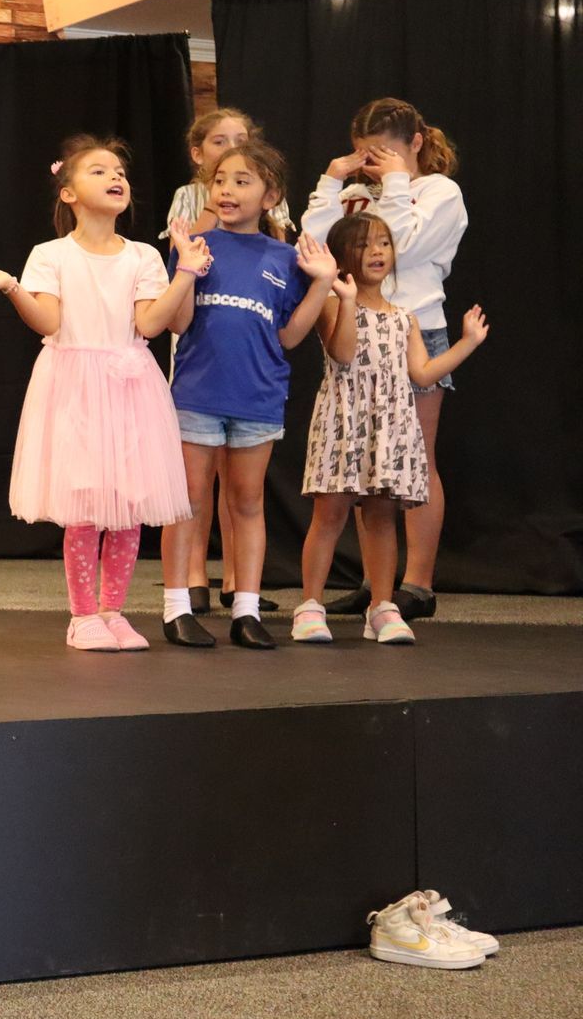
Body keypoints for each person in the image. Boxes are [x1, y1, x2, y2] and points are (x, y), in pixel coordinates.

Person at [0, 136, 198, 650]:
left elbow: (150, 324)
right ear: (68, 193)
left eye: (120, 172)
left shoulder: (143, 255)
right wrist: (12, 286)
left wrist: (185, 273)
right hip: (76, 384)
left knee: (128, 506)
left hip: (130, 385)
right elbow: (49, 320)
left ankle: (114, 610)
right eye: (99, 171)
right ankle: (83, 615)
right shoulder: (51, 254)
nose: (116, 178)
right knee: (86, 505)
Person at [160, 141, 335, 649]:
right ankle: (176, 608)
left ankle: (247, 611)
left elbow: (290, 336)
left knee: (248, 502)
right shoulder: (195, 245)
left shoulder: (284, 258)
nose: (227, 190)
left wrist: (322, 283)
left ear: (270, 196)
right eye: (220, 181)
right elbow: (179, 322)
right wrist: (187, 266)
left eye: (242, 181)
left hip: (257, 399)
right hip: (198, 393)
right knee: (189, 501)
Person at [300, 98, 468, 621]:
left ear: (415, 143)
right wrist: (332, 183)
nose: (373, 164)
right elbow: (316, 245)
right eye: (364, 154)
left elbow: (404, 248)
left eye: (384, 153)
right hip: (358, 328)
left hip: (413, 329)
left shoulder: (439, 192)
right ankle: (376, 584)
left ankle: (417, 583)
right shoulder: (357, 195)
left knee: (413, 457)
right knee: (364, 458)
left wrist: (396, 183)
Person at [294, 213, 486, 645]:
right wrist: (346, 301)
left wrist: (467, 343)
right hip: (344, 422)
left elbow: (423, 373)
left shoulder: (404, 318)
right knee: (330, 514)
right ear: (343, 255)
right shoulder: (332, 303)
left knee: (381, 517)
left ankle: (381, 607)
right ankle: (310, 606)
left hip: (389, 427)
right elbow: (343, 354)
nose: (376, 252)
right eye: (364, 245)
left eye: (383, 243)